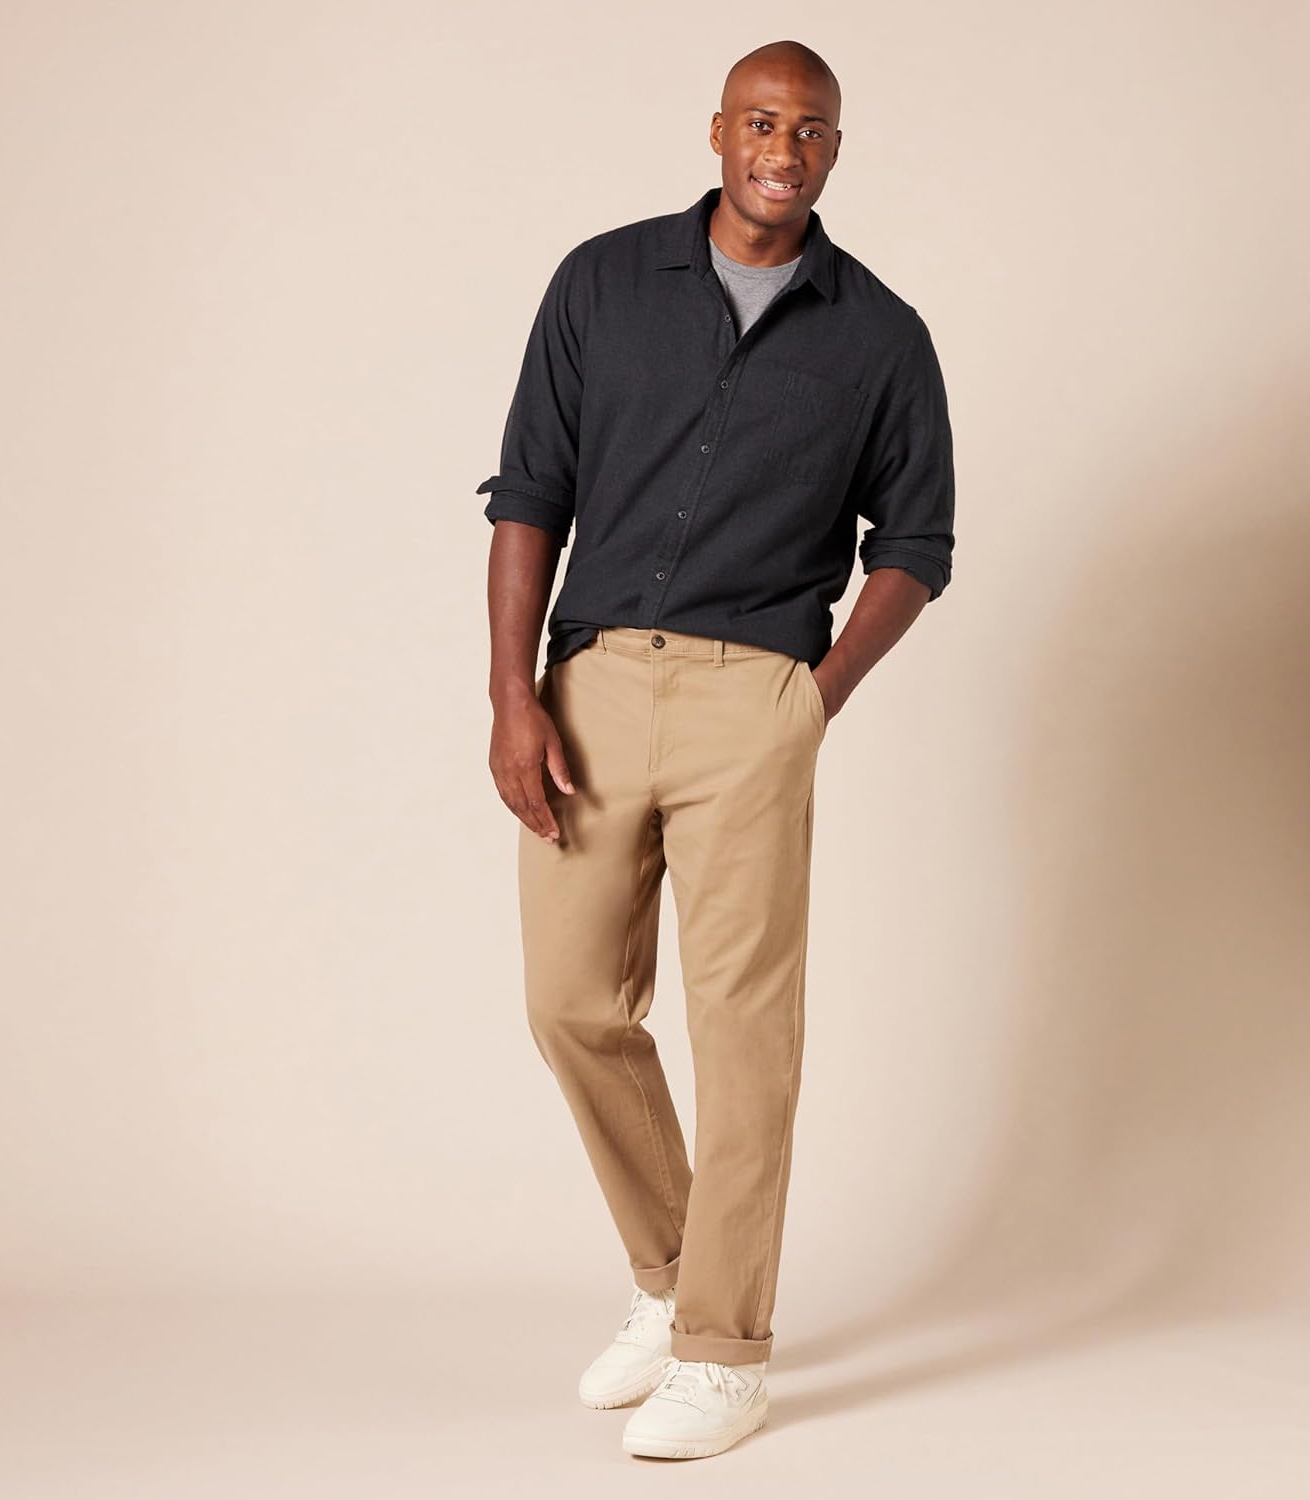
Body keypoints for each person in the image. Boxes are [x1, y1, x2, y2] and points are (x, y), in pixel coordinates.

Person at [476, 38, 956, 1461]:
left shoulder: (881, 335)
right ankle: (678, 1276)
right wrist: (512, 694)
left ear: (833, 153)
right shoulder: (602, 283)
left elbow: (918, 544)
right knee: (570, 1001)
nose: (781, 150)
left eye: (809, 130)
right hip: (591, 687)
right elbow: (531, 492)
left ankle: (725, 1351)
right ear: (717, 133)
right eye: (760, 121)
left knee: (745, 1035)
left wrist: (817, 699)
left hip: (757, 695)